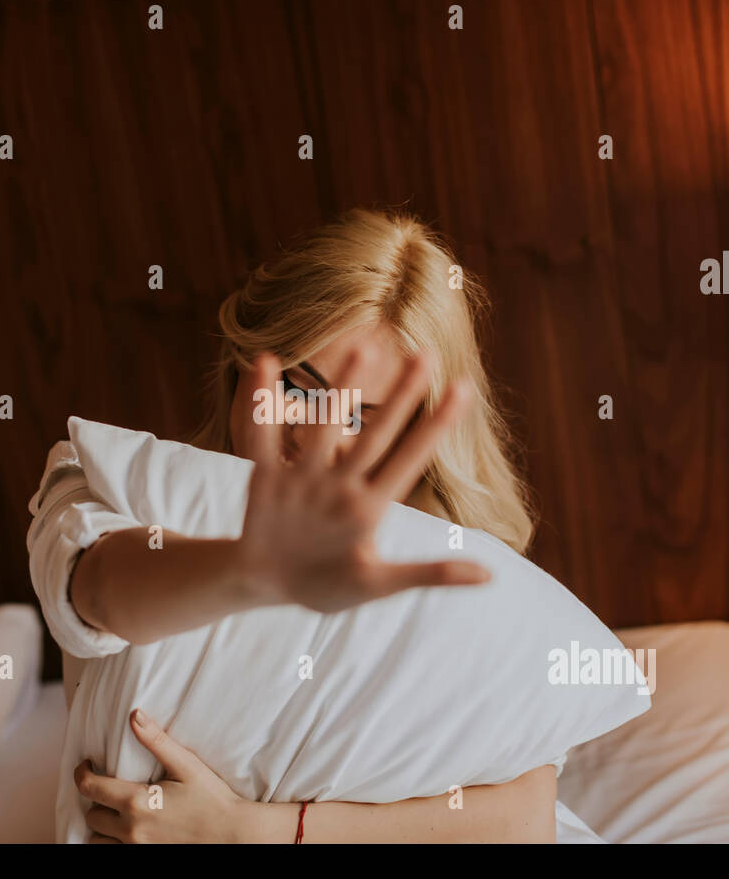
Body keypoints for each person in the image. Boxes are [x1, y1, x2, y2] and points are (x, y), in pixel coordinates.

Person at [27, 207, 563, 842]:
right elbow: (94, 593)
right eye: (299, 389)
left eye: (362, 418)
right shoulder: (112, 486)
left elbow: (527, 818)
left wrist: (255, 832)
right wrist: (248, 571)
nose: (314, 438)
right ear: (244, 365)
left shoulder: (446, 559)